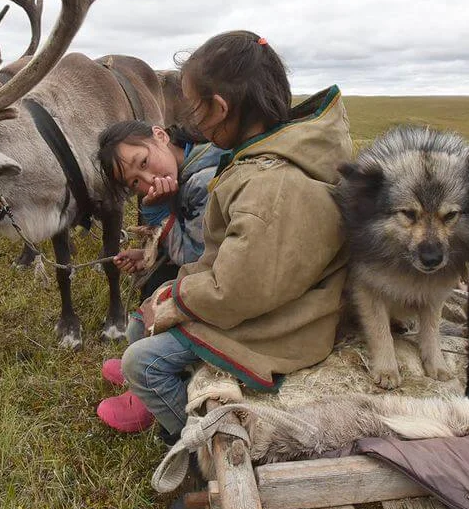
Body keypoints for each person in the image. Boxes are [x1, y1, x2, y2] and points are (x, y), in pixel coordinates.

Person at [110, 30, 352, 446]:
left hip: (288, 325)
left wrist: (176, 299)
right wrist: (173, 290)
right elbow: (229, 258)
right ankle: (170, 400)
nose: (194, 121)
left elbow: (237, 290)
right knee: (143, 320)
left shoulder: (268, 184)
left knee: (141, 363)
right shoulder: (264, 160)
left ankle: (194, 450)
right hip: (272, 301)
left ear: (220, 109)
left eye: (196, 109)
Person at [94, 121, 224, 432]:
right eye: (135, 182)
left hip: (223, 290)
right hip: (212, 278)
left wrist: (161, 214)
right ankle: (143, 386)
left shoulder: (203, 180)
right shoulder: (190, 167)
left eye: (143, 163)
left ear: (160, 135)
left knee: (145, 320)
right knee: (141, 317)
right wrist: (146, 255)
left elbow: (194, 254)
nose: (148, 180)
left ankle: (162, 403)